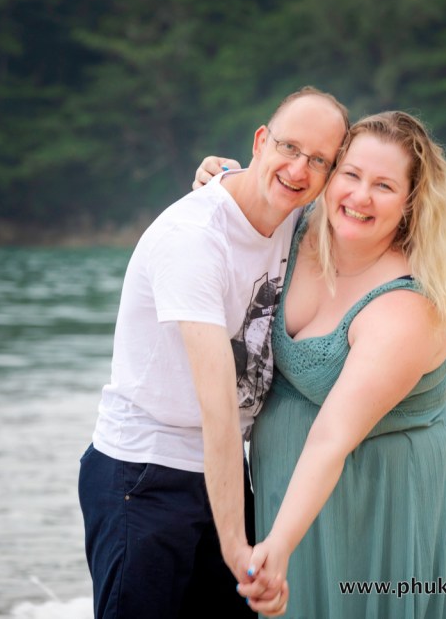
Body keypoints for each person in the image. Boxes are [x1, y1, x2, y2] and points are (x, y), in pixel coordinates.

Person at [78, 87, 349, 619]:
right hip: (143, 475)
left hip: (219, 474)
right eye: (290, 148)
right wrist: (235, 550)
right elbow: (218, 408)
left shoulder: (295, 223)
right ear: (260, 140)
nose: (299, 169)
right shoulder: (195, 240)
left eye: (319, 160)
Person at [196, 110, 446, 617]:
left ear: (412, 202)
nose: (360, 197)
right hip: (288, 493)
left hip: (375, 508)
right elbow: (257, 189)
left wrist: (275, 549)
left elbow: (331, 439)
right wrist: (221, 179)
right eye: (350, 174)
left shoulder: (407, 307)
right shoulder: (299, 229)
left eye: (384, 185)